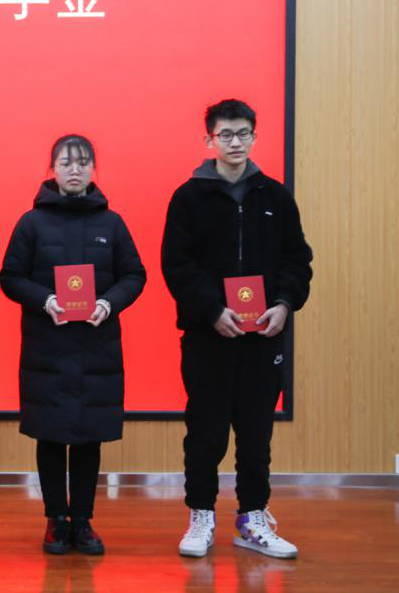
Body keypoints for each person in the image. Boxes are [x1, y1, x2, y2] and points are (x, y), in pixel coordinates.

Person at [162, 99, 312, 560]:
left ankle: (252, 518)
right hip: (208, 335)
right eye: (225, 134)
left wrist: (284, 304)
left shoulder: (275, 196)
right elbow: (177, 265)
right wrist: (211, 310)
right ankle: (201, 515)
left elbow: (297, 259)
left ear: (253, 136)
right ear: (209, 139)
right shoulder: (188, 197)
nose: (235, 142)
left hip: (264, 337)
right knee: (205, 431)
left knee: (256, 433)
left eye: (243, 133)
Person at [0, 134, 146, 556]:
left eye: (82, 162)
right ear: (53, 170)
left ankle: (83, 520)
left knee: (88, 437)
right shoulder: (31, 223)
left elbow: (134, 275)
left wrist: (107, 303)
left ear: (93, 169)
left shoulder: (111, 223)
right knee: (50, 435)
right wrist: (45, 300)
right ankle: (55, 520)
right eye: (66, 163)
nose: (75, 170)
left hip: (97, 346)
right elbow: (10, 277)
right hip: (47, 346)